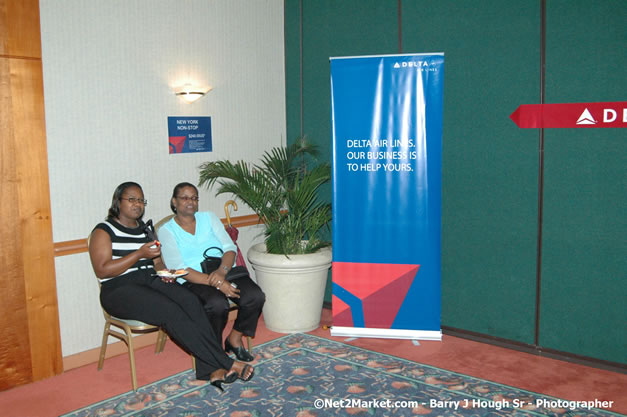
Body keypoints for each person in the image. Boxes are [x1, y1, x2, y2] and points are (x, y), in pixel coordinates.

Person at [88, 181, 253, 390]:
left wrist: (165, 273)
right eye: (131, 199)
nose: (137, 204)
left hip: (149, 280)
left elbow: (157, 262)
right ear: (117, 202)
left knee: (191, 300)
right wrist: (139, 254)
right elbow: (102, 270)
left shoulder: (145, 229)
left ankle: (208, 370)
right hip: (119, 288)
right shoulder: (104, 230)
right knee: (170, 311)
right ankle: (226, 363)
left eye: (141, 200)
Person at [159, 182, 265, 362]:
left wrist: (222, 273)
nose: (190, 202)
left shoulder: (208, 218)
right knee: (216, 304)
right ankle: (214, 351)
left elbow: (229, 247)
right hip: (193, 279)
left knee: (255, 296)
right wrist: (217, 283)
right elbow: (177, 268)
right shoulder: (166, 231)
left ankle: (234, 338)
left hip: (223, 269)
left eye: (194, 198)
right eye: (185, 198)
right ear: (174, 201)